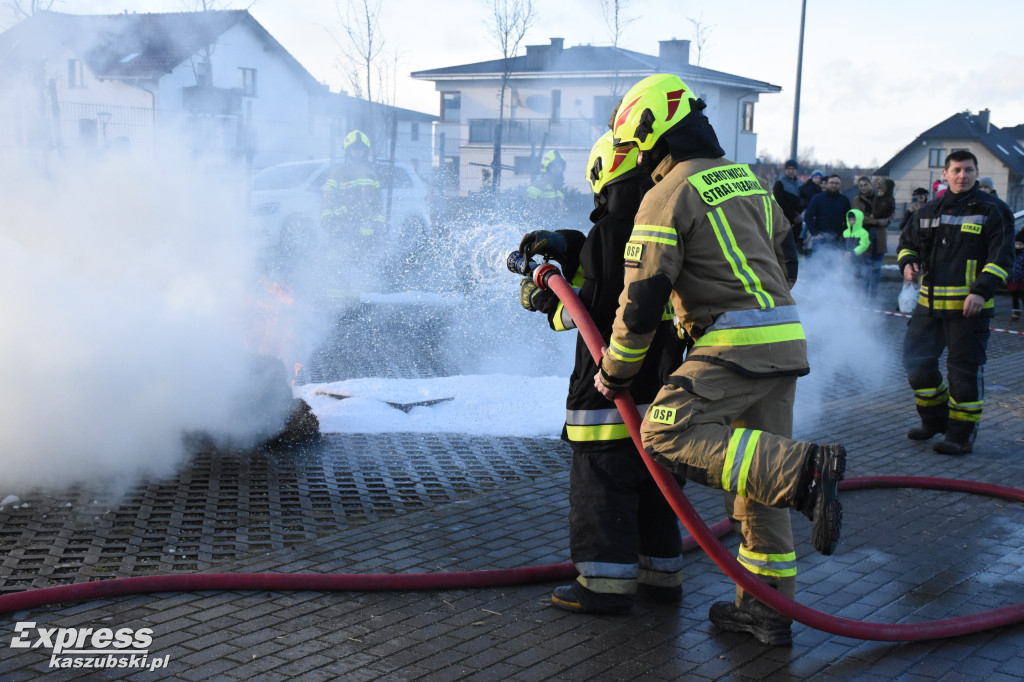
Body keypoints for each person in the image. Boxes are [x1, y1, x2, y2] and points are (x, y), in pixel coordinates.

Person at [595, 73, 847, 646]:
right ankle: (766, 612)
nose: (635, 159)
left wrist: (615, 371)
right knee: (760, 484)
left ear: (653, 132)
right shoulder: (749, 182)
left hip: (732, 344)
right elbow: (789, 259)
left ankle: (808, 471)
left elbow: (641, 301)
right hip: (783, 341)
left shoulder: (667, 193)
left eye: (636, 146)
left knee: (664, 431)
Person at [518, 131, 686, 615]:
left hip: (609, 396)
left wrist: (548, 300)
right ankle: (663, 578)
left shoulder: (612, 231)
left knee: (601, 491)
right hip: (663, 390)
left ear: (602, 179)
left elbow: (591, 307)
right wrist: (566, 244)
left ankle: (603, 588)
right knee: (658, 489)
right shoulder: (662, 217)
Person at [897, 150, 1014, 455]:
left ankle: (961, 436)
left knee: (962, 372)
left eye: (969, 170)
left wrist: (982, 291)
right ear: (945, 175)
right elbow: (907, 242)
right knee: (916, 365)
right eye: (957, 170)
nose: (963, 176)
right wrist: (908, 262)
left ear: (976, 173)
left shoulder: (993, 210)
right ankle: (934, 421)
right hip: (929, 307)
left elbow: (1002, 256)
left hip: (968, 310)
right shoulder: (928, 210)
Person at [321, 130, 385, 244]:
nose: (357, 151)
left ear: (365, 151)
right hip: (342, 232)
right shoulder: (338, 173)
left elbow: (378, 203)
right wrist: (330, 222)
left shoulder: (371, 175)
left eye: (360, 148)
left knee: (367, 261)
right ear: (348, 150)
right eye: (354, 148)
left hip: (367, 235)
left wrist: (379, 226)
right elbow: (327, 199)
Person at [802, 174, 851, 254]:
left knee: (835, 265)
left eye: (837, 183)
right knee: (819, 264)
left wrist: (844, 235)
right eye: (832, 183)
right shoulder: (817, 198)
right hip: (820, 238)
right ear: (827, 183)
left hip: (837, 239)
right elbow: (808, 216)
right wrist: (814, 232)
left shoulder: (845, 200)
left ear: (840, 185)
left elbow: (848, 220)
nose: (834, 185)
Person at [525, 149, 568, 227]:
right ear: (547, 167)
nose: (557, 169)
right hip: (538, 229)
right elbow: (530, 208)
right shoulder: (538, 185)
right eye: (554, 166)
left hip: (554, 228)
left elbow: (561, 211)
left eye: (559, 166)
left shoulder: (558, 187)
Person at [773, 160, 804, 249]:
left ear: (796, 170)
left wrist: (800, 215)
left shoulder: (800, 184)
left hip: (798, 221)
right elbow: (779, 202)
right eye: (789, 169)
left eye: (793, 169)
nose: (791, 171)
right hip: (785, 220)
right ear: (785, 170)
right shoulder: (779, 183)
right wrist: (794, 215)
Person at [1009, 228, 1024, 321]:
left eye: (1020, 244)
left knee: (1023, 296)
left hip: (1022, 280)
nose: (1018, 246)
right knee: (1014, 296)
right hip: (1013, 279)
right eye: (1016, 244)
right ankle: (1016, 312)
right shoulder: (1012, 253)